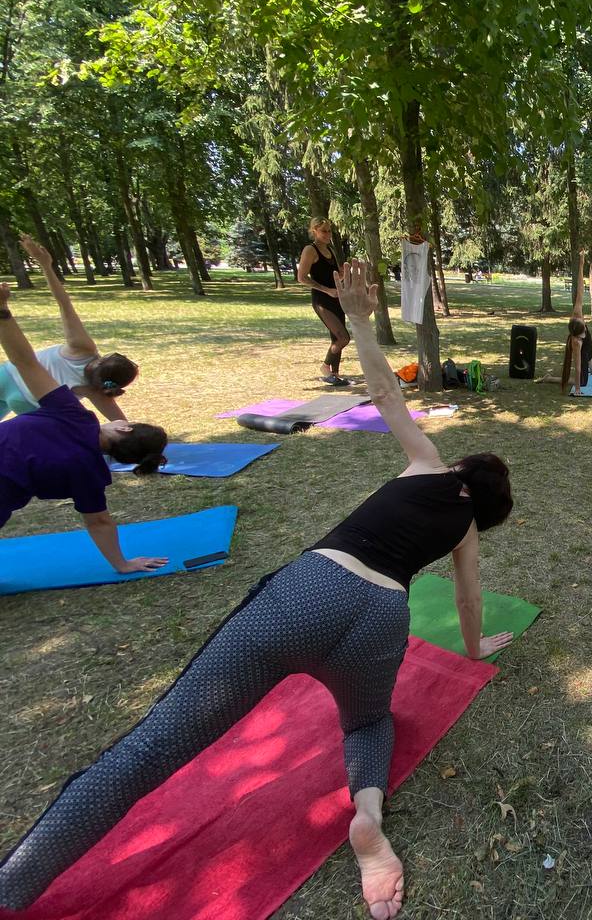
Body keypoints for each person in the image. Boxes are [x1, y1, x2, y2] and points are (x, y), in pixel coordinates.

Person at [0, 261, 515, 919]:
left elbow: (387, 395)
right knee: (369, 720)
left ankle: (12, 887)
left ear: (465, 469)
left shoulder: (429, 465)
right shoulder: (466, 529)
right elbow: (469, 600)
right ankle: (366, 813)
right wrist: (476, 649)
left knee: (155, 746)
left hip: (309, 594)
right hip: (384, 617)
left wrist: (357, 318)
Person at [0, 283, 168, 570]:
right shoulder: (91, 472)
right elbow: (99, 521)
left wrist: (3, 312)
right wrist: (122, 564)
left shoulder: (72, 414)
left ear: (125, 429)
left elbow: (25, 363)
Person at [0, 236, 138, 421]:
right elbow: (122, 424)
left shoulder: (83, 348)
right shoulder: (96, 391)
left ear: (101, 361)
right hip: (30, 402)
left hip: (8, 376)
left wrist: (46, 265)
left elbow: (64, 303)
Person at [296, 217, 352, 386]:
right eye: (324, 231)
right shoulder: (310, 250)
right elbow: (302, 278)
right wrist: (326, 290)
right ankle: (325, 366)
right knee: (343, 338)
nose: (328, 234)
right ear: (314, 231)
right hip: (322, 300)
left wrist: (343, 274)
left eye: (329, 231)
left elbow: (334, 276)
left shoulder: (331, 250)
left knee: (336, 338)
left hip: (336, 298)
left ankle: (334, 375)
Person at [562, 253, 592, 395]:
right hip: (577, 348)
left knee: (590, 343)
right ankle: (550, 379)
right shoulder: (576, 342)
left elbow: (580, 289)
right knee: (582, 380)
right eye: (583, 334)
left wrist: (581, 264)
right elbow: (578, 367)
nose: (585, 334)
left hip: (579, 332)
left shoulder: (577, 314)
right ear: (577, 336)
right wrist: (578, 389)